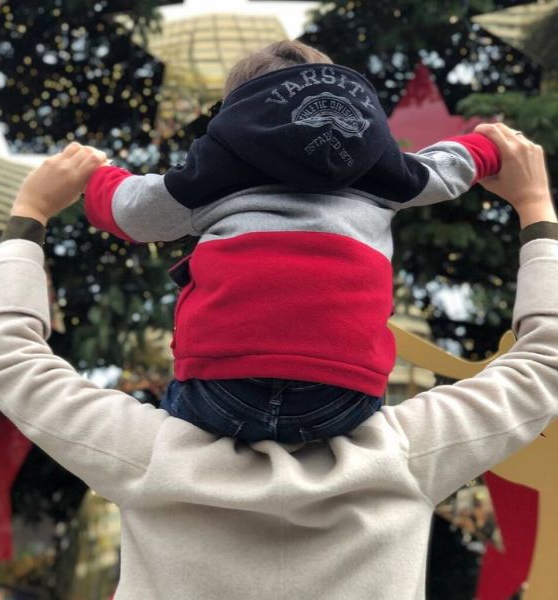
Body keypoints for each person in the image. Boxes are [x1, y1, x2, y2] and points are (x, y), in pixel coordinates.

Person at [0, 123, 558, 599]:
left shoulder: (153, 459)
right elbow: (542, 364)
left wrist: (30, 214)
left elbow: (11, 360)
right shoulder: (406, 458)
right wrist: (535, 207)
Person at [81, 40, 501, 443]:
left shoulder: (211, 171)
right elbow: (448, 168)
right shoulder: (381, 169)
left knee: (173, 423)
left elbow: (133, 210)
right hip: (342, 396)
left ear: (236, 108)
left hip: (221, 388)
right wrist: (490, 145)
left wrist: (95, 174)